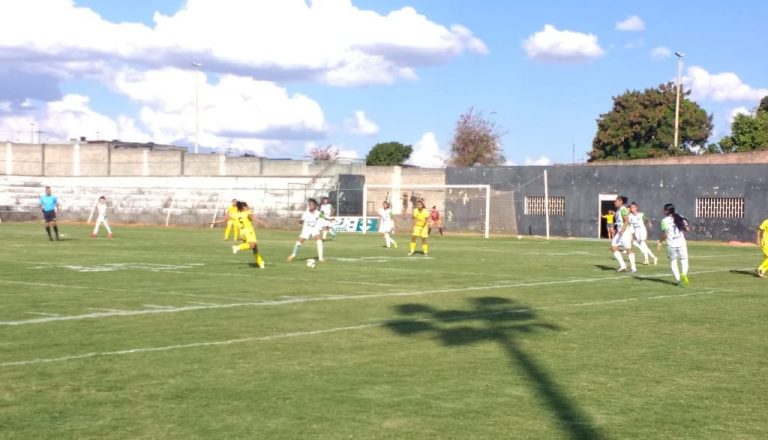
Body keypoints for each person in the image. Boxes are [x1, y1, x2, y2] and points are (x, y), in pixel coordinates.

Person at [211, 201, 266, 269]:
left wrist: (214, 222)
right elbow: (252, 218)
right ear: (243, 207)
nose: (247, 207)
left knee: (255, 248)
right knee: (253, 245)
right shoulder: (246, 213)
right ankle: (237, 247)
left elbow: (225, 219)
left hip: (242, 233)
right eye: (246, 206)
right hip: (248, 231)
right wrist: (261, 222)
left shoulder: (235, 215)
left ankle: (260, 262)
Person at [657, 203, 690, 287]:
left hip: (671, 243)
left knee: (673, 261)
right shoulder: (680, 216)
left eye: (664, 209)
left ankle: (679, 280)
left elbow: (665, 235)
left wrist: (660, 241)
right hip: (681, 242)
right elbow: (687, 229)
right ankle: (684, 273)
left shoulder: (664, 221)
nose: (663, 211)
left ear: (667, 211)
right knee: (684, 259)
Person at [287, 198, 324, 263]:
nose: (310, 206)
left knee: (319, 241)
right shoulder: (306, 213)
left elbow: (322, 219)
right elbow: (302, 220)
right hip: (306, 229)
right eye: (309, 205)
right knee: (299, 241)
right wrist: (300, 221)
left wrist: (322, 227)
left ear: (315, 206)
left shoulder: (319, 213)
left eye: (312, 205)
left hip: (314, 229)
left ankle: (320, 258)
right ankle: (293, 255)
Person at [610, 195, 636, 273]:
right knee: (614, 247)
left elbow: (627, 221)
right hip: (619, 232)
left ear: (620, 201)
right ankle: (623, 266)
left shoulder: (623, 209)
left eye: (616, 201)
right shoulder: (618, 210)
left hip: (625, 232)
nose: (615, 202)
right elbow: (620, 221)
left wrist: (622, 230)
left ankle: (633, 268)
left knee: (628, 249)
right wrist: (616, 227)